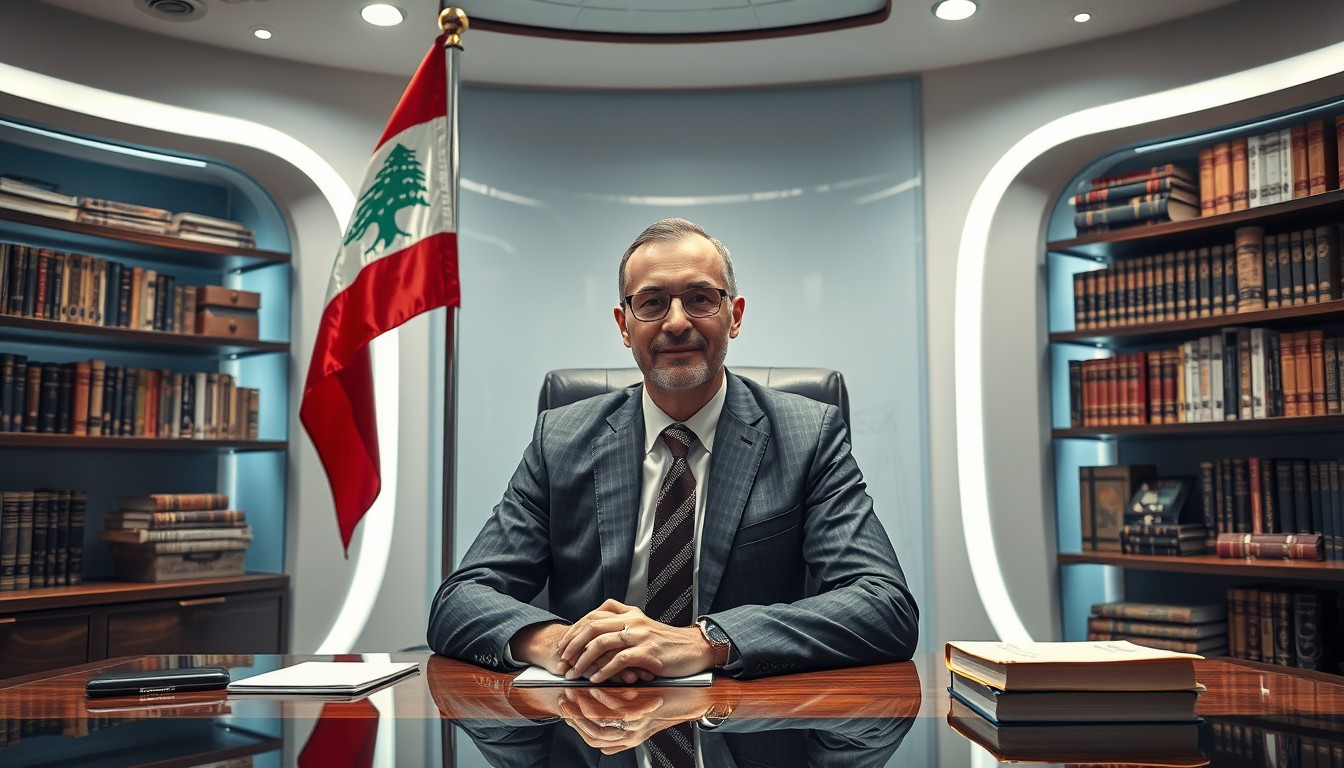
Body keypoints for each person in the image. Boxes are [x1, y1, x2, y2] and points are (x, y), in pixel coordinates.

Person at [427, 217, 918, 686]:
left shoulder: (807, 435)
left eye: (701, 298)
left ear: (735, 316)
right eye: (653, 302)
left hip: (748, 729)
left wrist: (704, 642)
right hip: (590, 724)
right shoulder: (559, 440)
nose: (677, 322)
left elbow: (884, 605)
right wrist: (563, 643)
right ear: (624, 325)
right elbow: (459, 600)